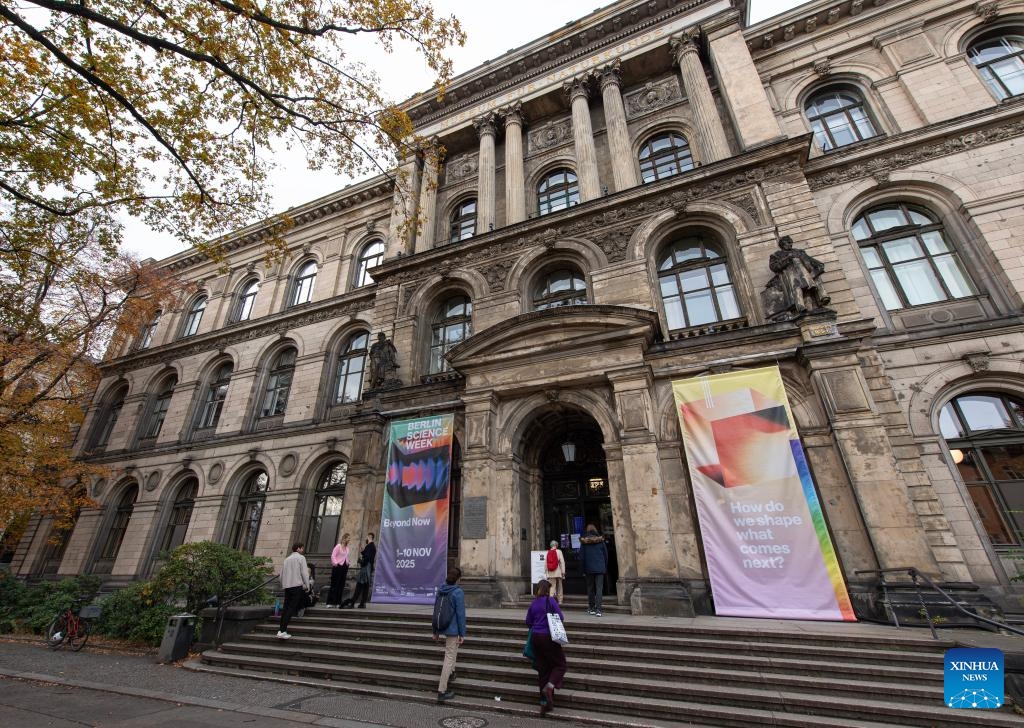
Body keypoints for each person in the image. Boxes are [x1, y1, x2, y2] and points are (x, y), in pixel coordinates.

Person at [524, 579, 567, 715]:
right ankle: (550, 687)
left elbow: (528, 621)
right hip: (549, 637)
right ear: (548, 590)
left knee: (543, 671)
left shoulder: (534, 603)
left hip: (536, 637)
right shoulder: (550, 601)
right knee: (560, 665)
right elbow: (560, 617)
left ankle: (544, 704)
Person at [767, 235, 831, 316]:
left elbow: (810, 260)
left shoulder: (799, 252)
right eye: (788, 243)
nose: (790, 244)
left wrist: (818, 265)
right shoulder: (776, 255)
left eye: (791, 243)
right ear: (782, 244)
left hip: (806, 275)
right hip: (791, 276)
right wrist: (787, 258)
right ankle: (800, 306)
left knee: (814, 276)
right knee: (797, 284)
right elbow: (774, 267)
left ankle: (822, 298)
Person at [433, 566, 466, 703]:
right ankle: (442, 691)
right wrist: (462, 633)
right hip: (452, 628)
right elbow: (460, 614)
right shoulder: (457, 592)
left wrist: (435, 630)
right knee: (449, 657)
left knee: (452, 653)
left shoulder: (441, 590)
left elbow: (436, 610)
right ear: (458, 579)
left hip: (442, 625)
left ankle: (452, 673)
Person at [277, 542, 309, 639]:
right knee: (291, 608)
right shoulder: (301, 558)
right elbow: (304, 573)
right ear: (298, 549)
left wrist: (283, 583)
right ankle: (283, 631)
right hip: (296, 585)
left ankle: (281, 630)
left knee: (286, 607)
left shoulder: (287, 559)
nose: (302, 550)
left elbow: (281, 575)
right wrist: (307, 585)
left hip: (287, 586)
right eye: (302, 548)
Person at [579, 523, 608, 616]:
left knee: (590, 588)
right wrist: (604, 566)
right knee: (599, 588)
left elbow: (581, 558)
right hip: (600, 568)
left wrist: (582, 570)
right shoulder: (601, 541)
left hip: (588, 569)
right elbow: (606, 555)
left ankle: (591, 608)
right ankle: (598, 610)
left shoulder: (584, 543)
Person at [343, 532, 376, 608]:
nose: (366, 538)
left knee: (359, 585)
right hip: (369, 569)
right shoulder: (372, 547)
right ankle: (362, 603)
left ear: (369, 537)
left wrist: (360, 561)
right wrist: (362, 551)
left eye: (367, 537)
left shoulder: (370, 546)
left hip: (365, 569)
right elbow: (368, 555)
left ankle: (352, 603)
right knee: (365, 587)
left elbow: (367, 558)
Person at [326, 533, 351, 607]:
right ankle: (330, 602)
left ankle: (338, 602)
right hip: (337, 567)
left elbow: (346, 557)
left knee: (341, 585)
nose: (349, 539)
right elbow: (333, 555)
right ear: (344, 538)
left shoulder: (347, 548)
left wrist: (348, 563)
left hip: (344, 567)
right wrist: (335, 563)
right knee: (334, 584)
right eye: (348, 538)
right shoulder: (338, 546)